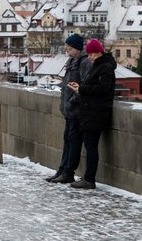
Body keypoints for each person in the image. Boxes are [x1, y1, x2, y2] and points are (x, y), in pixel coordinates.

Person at [68, 39, 116, 189]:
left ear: (98, 52)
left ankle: (89, 179)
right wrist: (80, 87)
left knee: (91, 147)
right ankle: (88, 177)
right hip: (90, 112)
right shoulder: (99, 65)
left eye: (91, 54)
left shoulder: (105, 67)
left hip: (96, 113)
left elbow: (103, 89)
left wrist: (82, 89)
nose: (89, 57)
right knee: (89, 146)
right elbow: (94, 86)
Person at [45, 34, 91, 184]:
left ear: (77, 48)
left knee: (73, 141)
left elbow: (83, 86)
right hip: (68, 110)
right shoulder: (72, 61)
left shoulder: (84, 63)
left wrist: (72, 100)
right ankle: (62, 169)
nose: (66, 49)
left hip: (76, 111)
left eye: (69, 47)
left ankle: (68, 172)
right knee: (67, 140)